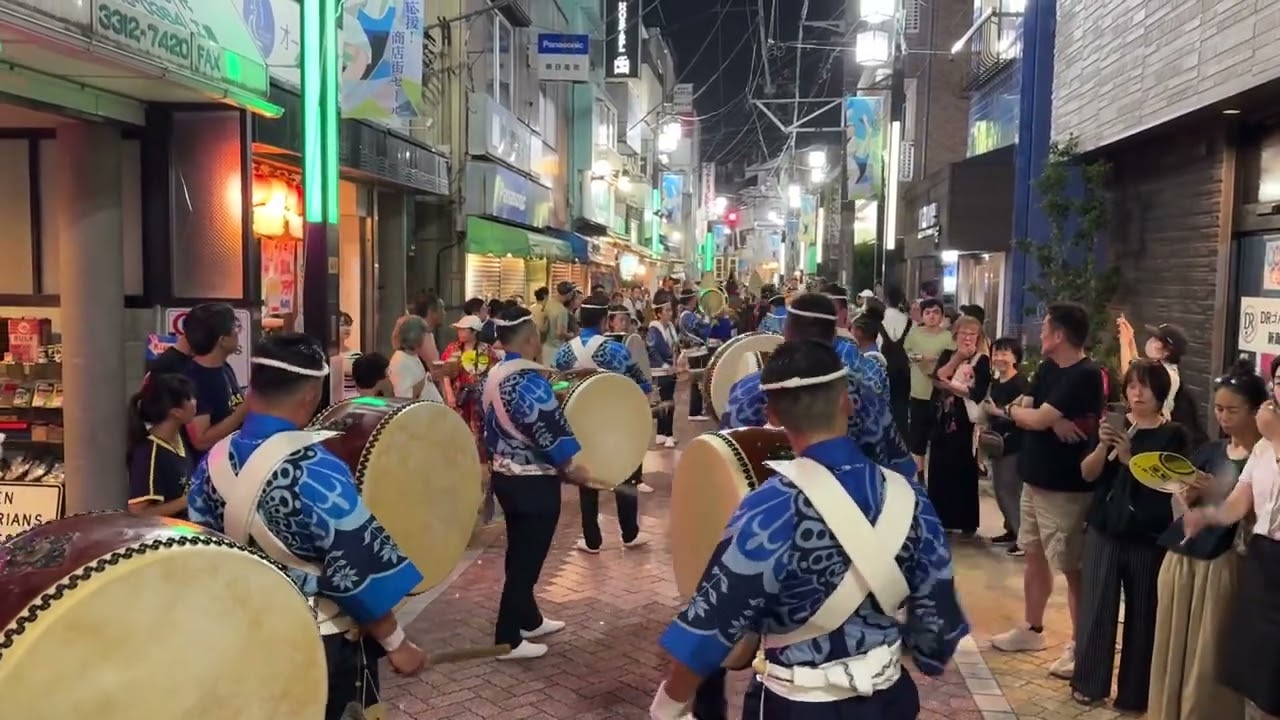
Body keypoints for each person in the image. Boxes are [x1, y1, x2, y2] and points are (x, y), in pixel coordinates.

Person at [651, 339, 968, 720]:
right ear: (846, 402)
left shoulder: (769, 508)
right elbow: (939, 623)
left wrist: (667, 705)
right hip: (890, 700)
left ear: (772, 414)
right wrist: (919, 655)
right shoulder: (910, 496)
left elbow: (711, 628)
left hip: (797, 704)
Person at [187, 333, 427, 720]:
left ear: (253, 390)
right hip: (318, 640)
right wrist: (397, 643)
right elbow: (355, 569)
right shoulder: (317, 471)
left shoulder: (215, 459)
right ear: (310, 397)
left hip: (247, 630)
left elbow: (204, 545)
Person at [987, 302, 1104, 680]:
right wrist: (1049, 422)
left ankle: (1081, 645)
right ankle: (1032, 629)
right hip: (1034, 478)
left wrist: (1041, 419)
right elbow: (1022, 406)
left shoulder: (1085, 374)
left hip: (1066, 487)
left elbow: (1031, 414)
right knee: (1034, 555)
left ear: (1059, 335)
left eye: (1045, 328)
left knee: (1072, 567)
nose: (1040, 333)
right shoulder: (1048, 367)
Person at [1148, 359, 1264, 720]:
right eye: (1218, 409)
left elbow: (1258, 516)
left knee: (1209, 651)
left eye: (1233, 410)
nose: (1224, 417)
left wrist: (1219, 497)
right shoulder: (1210, 450)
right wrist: (1188, 492)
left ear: (1257, 410)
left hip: (1224, 563)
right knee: (1174, 646)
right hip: (1184, 558)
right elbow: (1182, 501)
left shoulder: (1265, 458)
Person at [481, 306, 586, 661]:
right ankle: (507, 637)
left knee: (519, 553)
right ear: (529, 339)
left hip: (505, 477)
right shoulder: (527, 381)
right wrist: (570, 464)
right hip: (533, 483)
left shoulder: (495, 373)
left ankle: (529, 618)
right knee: (527, 561)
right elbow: (547, 428)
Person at [1181, 355, 1280, 720]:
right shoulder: (1262, 448)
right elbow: (1240, 501)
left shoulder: (1272, 440)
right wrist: (1207, 515)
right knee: (1253, 671)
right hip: (1262, 561)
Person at [552, 293, 651, 553]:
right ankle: (629, 533)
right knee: (625, 474)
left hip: (578, 425)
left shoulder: (563, 352)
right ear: (605, 321)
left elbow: (555, 385)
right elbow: (642, 384)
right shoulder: (616, 350)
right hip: (617, 422)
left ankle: (592, 540)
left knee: (587, 479)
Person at [928, 315, 991, 535]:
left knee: (963, 467)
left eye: (972, 334)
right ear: (955, 335)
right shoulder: (948, 354)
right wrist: (957, 359)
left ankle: (965, 520)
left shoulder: (982, 360)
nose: (967, 337)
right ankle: (941, 518)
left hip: (964, 422)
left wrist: (952, 387)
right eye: (963, 333)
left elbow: (978, 392)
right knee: (939, 466)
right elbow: (938, 376)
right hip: (942, 418)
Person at [1118, 318, 1207, 445]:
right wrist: (1130, 341)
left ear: (1167, 351)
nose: (1151, 342)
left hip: (1160, 435)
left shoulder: (1169, 374)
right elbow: (1136, 367)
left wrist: (1124, 343)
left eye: (1156, 340)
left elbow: (1130, 373)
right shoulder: (1160, 368)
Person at [181, 303, 248, 459]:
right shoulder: (194, 380)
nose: (238, 333)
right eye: (235, 328)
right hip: (210, 470)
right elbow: (200, 440)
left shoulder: (224, 367)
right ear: (222, 340)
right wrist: (245, 409)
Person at [983, 337, 1030, 556]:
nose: (999, 358)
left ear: (1015, 358)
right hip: (997, 442)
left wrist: (997, 412)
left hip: (1014, 443)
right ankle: (1011, 529)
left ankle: (1023, 539)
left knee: (1009, 490)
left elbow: (1025, 414)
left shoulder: (1021, 384)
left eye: (1005, 354)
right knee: (1000, 489)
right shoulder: (995, 383)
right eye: (997, 353)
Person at [126, 373, 196, 519]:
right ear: (175, 412)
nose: (195, 402)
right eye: (189, 399)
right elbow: (138, 512)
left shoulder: (179, 436)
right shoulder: (148, 453)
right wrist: (187, 501)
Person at [902, 298, 953, 479]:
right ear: (922, 315)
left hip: (939, 393)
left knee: (939, 438)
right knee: (917, 438)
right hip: (918, 391)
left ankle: (938, 477)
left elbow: (951, 360)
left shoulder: (948, 337)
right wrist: (923, 357)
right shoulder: (914, 333)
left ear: (942, 315)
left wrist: (936, 361)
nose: (932, 316)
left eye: (936, 312)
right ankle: (919, 477)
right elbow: (907, 354)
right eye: (928, 312)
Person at [441, 314, 500, 455]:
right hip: (459, 396)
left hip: (480, 397)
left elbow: (494, 373)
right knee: (458, 429)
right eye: (459, 330)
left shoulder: (487, 350)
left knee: (479, 431)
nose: (459, 333)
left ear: (474, 332)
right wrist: (449, 394)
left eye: (464, 330)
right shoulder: (452, 349)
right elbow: (445, 373)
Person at [879, 286, 913, 442]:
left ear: (885, 299)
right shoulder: (909, 322)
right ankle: (902, 439)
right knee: (901, 407)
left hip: (883, 369)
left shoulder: (879, 319)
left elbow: (878, 345)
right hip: (904, 370)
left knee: (883, 405)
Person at [388, 315, 445, 402]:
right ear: (416, 336)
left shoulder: (412, 356)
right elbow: (405, 397)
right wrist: (428, 378)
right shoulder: (400, 361)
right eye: (424, 335)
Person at [676, 289, 711, 421]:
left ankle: (696, 410)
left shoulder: (686, 314)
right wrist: (707, 317)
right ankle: (695, 412)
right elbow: (702, 329)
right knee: (697, 380)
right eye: (695, 298)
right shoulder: (687, 316)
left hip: (693, 351)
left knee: (696, 381)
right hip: (695, 352)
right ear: (691, 300)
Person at [648, 303, 680, 449]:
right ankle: (668, 435)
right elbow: (652, 350)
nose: (670, 313)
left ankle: (660, 433)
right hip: (661, 369)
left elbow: (675, 347)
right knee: (667, 401)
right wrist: (663, 365)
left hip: (671, 368)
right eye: (666, 310)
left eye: (670, 310)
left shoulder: (671, 328)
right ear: (659, 313)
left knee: (665, 400)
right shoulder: (654, 330)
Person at [543, 281, 575, 363]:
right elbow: (560, 332)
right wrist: (572, 335)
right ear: (569, 294)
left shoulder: (548, 303)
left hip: (545, 347)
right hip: (556, 348)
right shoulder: (562, 311)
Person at [335, 311, 361, 400]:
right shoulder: (324, 354)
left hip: (352, 399)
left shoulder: (355, 355)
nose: (347, 328)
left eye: (349, 325)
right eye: (342, 325)